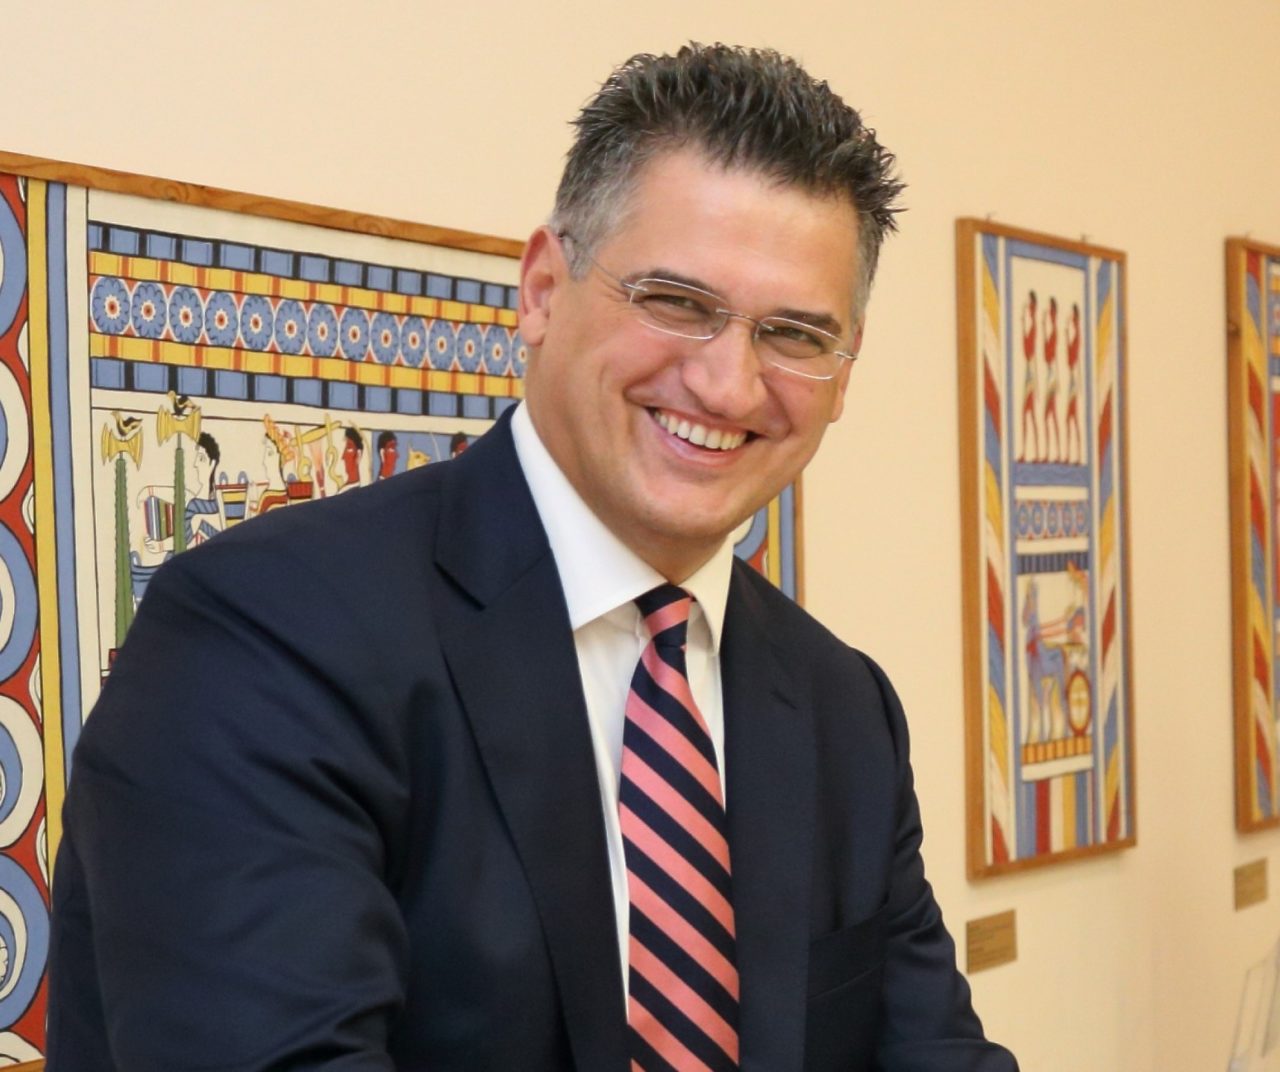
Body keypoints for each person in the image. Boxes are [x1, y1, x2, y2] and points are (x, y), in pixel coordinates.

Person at [48, 43, 1018, 1072]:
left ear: (844, 369)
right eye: (677, 302)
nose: (730, 385)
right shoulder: (266, 635)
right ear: (544, 289)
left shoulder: (842, 708)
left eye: (794, 334)